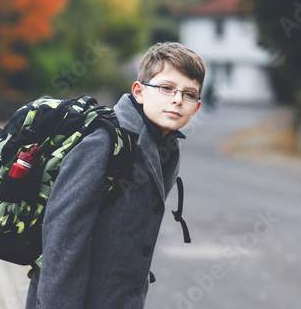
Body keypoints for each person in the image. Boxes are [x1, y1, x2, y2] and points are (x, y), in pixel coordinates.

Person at [25, 41, 205, 309]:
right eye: (167, 88)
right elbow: (63, 235)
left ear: (196, 108)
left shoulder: (166, 146)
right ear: (139, 91)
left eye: (189, 94)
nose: (178, 99)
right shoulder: (105, 139)